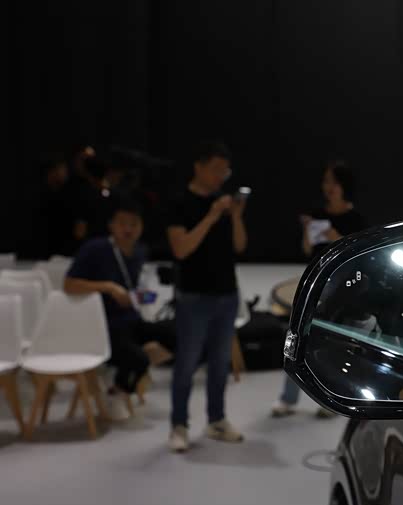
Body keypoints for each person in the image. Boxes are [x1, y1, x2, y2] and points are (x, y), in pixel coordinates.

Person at [165, 141, 247, 453]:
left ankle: (216, 419)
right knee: (186, 364)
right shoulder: (180, 202)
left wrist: (235, 216)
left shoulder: (223, 203)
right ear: (198, 167)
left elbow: (239, 246)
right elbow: (181, 249)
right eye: (215, 170)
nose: (220, 177)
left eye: (224, 171)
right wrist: (211, 217)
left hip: (227, 294)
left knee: (219, 363)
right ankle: (179, 424)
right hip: (193, 297)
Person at [64, 198, 174, 418]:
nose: (128, 229)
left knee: (179, 335)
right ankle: (119, 389)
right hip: (102, 326)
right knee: (138, 359)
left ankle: (122, 370)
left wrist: (141, 296)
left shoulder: (140, 251)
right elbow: (69, 285)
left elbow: (133, 286)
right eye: (122, 223)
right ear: (111, 225)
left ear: (141, 226)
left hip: (131, 319)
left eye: (134, 224)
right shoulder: (95, 248)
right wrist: (107, 287)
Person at [272, 161, 366, 417]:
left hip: (342, 291)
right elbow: (307, 250)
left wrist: (335, 236)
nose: (328, 187)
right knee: (296, 340)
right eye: (326, 182)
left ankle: (330, 400)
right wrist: (307, 230)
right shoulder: (317, 214)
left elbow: (357, 258)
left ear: (344, 186)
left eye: (333, 182)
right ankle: (288, 398)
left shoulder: (355, 219)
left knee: (332, 346)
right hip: (315, 285)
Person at [39, 152, 73, 257]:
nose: (66, 173)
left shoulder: (65, 194)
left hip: (61, 252)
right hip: (44, 250)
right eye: (63, 169)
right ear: (53, 171)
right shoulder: (42, 196)